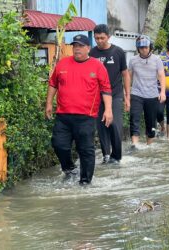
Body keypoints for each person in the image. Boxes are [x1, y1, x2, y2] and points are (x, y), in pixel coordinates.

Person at [45, 34, 113, 185]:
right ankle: (70, 169)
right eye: (75, 46)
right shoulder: (63, 64)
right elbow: (53, 84)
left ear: (88, 48)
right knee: (58, 144)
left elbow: (106, 89)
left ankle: (85, 182)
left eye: (81, 46)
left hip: (86, 117)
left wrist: (108, 110)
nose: (77, 49)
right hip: (63, 116)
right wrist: (48, 103)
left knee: (86, 150)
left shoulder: (97, 66)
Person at [89, 24, 130, 164]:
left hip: (116, 94)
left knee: (115, 125)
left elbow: (125, 74)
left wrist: (127, 96)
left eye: (102, 38)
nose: (99, 41)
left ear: (108, 37)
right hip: (97, 96)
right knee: (101, 126)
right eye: (97, 38)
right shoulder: (92, 54)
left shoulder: (118, 52)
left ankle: (116, 156)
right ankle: (106, 155)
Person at [129, 35, 166, 146]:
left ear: (150, 47)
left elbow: (161, 75)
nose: (144, 49)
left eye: (146, 47)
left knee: (150, 123)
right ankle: (135, 145)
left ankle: (149, 146)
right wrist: (126, 93)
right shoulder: (133, 60)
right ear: (138, 49)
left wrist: (163, 92)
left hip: (152, 95)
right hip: (136, 93)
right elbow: (128, 77)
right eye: (141, 48)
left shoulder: (157, 59)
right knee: (134, 118)